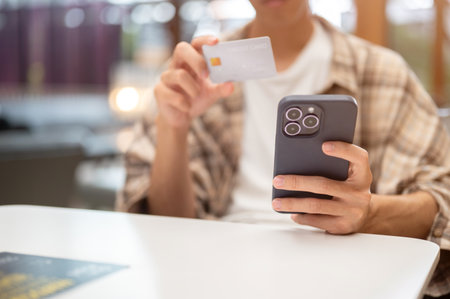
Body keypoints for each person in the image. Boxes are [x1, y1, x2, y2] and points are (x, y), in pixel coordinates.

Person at [116, 0, 450, 296]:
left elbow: (442, 196)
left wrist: (371, 213)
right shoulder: (198, 73)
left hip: (346, 274)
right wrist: (173, 126)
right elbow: (164, 228)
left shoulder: (382, 72)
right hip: (214, 271)